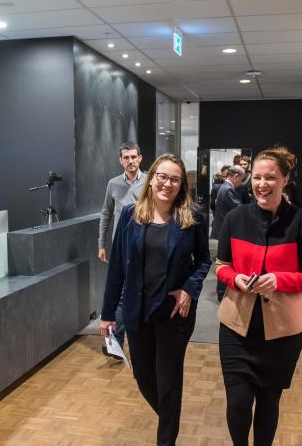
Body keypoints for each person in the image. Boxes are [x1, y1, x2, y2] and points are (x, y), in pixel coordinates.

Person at [214, 147, 302, 446]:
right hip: (237, 327)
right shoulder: (236, 218)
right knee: (237, 403)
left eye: (270, 177)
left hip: (282, 334)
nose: (262, 184)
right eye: (257, 177)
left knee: (268, 402)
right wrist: (235, 278)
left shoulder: (301, 222)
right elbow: (221, 266)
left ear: (285, 179)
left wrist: (279, 280)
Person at [100, 153, 211, 446]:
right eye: (162, 176)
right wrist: (107, 312)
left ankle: (167, 440)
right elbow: (117, 268)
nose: (168, 183)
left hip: (174, 313)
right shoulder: (131, 214)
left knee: (169, 382)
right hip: (138, 312)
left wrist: (189, 288)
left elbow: (203, 261)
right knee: (144, 378)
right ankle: (170, 419)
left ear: (181, 185)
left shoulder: (193, 216)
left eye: (175, 179)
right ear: (152, 179)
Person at [98, 141, 146, 358]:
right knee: (119, 293)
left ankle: (123, 340)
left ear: (140, 158)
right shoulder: (113, 184)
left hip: (143, 247)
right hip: (120, 248)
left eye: (133, 157)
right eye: (126, 157)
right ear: (120, 160)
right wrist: (101, 244)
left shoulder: (150, 183)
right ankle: (116, 342)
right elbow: (106, 214)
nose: (130, 161)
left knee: (132, 293)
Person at [211, 165, 244, 301]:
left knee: (224, 260)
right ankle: (221, 291)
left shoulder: (222, 188)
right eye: (241, 179)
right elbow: (238, 209)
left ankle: (222, 290)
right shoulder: (228, 189)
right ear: (235, 176)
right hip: (226, 230)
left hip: (222, 228)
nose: (241, 183)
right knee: (225, 261)